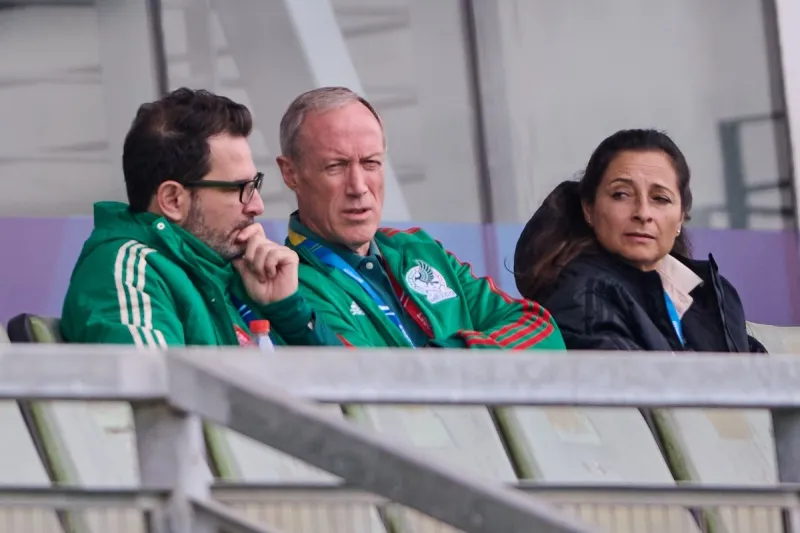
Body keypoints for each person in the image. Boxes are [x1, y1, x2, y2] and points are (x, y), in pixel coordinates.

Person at [275, 86, 564, 350]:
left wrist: (449, 359)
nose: (359, 187)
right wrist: (475, 363)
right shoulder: (289, 283)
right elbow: (373, 382)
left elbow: (542, 330)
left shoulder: (419, 249)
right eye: (335, 166)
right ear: (291, 173)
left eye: (371, 163)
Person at [61, 88, 341, 348]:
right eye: (240, 189)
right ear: (173, 200)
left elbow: (348, 390)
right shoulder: (128, 271)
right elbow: (155, 395)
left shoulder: (238, 274)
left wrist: (288, 309)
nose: (257, 205)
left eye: (255, 185)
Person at [513, 128, 766, 353]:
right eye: (621, 194)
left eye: (660, 198)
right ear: (589, 209)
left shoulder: (705, 292)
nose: (643, 213)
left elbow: (763, 379)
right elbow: (640, 395)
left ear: (681, 218)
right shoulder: (582, 296)